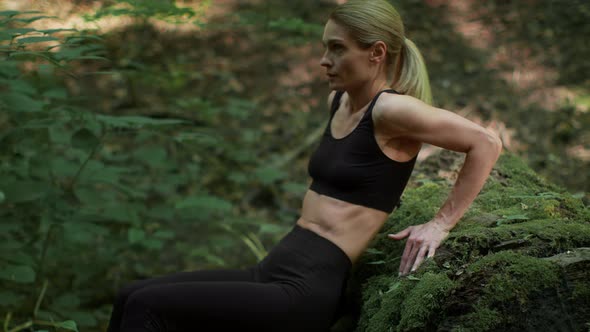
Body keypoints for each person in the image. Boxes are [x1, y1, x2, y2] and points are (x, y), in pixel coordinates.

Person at [106, 0, 502, 331]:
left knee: (149, 307)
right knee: (131, 295)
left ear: (376, 53)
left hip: (304, 290)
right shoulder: (343, 102)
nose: (323, 60)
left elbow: (484, 142)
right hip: (273, 268)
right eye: (325, 48)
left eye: (337, 48)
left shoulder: (392, 109)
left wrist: (441, 223)